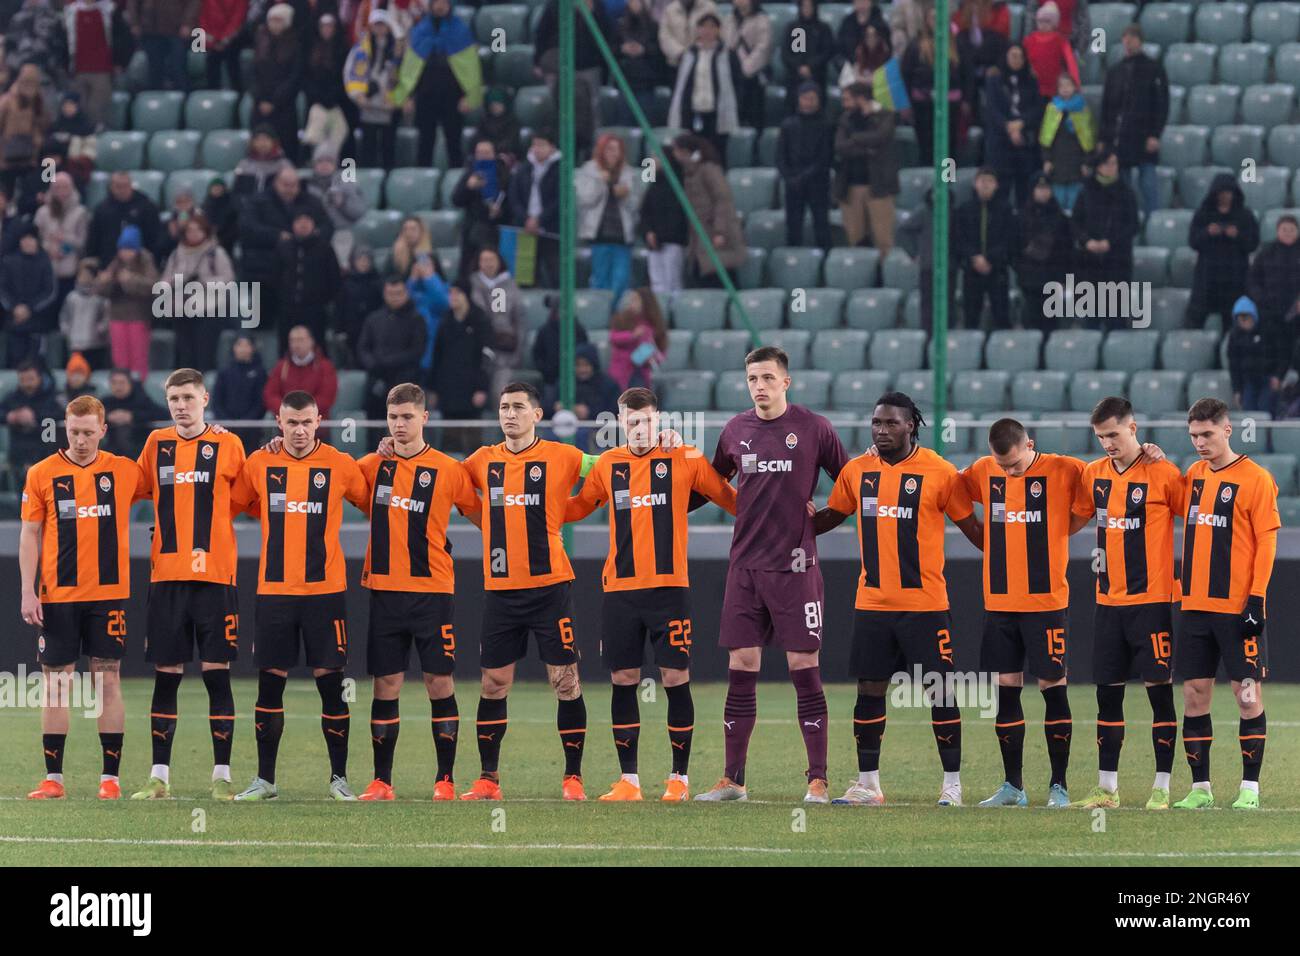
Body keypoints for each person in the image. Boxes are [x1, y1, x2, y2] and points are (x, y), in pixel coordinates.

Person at [563, 387, 737, 800]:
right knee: (623, 680)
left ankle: (679, 778)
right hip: (620, 591)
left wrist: (776, 510)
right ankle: (630, 781)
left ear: (659, 421)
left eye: (646, 420)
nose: (639, 428)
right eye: (631, 421)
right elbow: (577, 508)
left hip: (669, 589)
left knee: (675, 678)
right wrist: (529, 508)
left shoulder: (685, 458)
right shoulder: (608, 465)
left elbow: (729, 499)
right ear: (620, 423)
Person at [692, 346, 848, 804]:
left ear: (786, 381)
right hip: (744, 568)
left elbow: (854, 482)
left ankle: (817, 779)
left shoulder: (814, 428)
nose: (758, 386)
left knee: (803, 667)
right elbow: (707, 484)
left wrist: (819, 524)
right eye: (751, 379)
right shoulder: (735, 430)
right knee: (741, 667)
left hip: (796, 569)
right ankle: (733, 780)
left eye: (766, 377)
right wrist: (664, 490)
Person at [815, 393, 982, 806]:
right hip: (872, 605)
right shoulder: (857, 471)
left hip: (925, 606)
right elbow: (829, 517)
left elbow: (975, 532)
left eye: (891, 423)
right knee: (868, 691)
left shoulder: (941, 473)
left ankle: (952, 785)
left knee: (940, 692)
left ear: (912, 426)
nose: (881, 430)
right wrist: (785, 517)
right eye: (876, 423)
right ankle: (868, 785)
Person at [453, 382, 594, 801]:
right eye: (503, 407)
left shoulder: (564, 456)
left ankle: (573, 778)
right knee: (494, 683)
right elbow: (448, 483)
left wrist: (662, 441)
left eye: (518, 407)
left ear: (537, 414)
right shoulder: (482, 461)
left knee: (565, 680)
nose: (509, 414)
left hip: (550, 587)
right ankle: (487, 780)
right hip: (500, 591)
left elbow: (610, 469)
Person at [229, 389, 370, 801]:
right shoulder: (260, 463)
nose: (300, 430)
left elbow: (372, 499)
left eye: (307, 422)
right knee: (270, 686)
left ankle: (339, 779)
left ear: (319, 421)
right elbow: (235, 503)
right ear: (279, 422)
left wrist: (383, 449)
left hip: (325, 592)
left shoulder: (340, 465)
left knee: (332, 684)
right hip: (274, 592)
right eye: (292, 423)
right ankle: (265, 781)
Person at [354, 383, 481, 800]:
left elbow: (483, 515)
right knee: (385, 685)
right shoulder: (373, 466)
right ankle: (381, 781)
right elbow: (327, 477)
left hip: (433, 592)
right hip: (386, 592)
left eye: (407, 417)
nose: (400, 425)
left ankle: (444, 780)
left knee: (438, 683)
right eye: (393, 418)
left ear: (424, 418)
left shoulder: (449, 469)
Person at [127, 369, 248, 800]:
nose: (180, 405)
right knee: (166, 677)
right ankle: (159, 776)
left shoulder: (229, 445)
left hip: (215, 578)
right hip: (167, 578)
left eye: (188, 397)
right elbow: (135, 488)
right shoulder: (155, 444)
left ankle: (222, 777)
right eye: (174, 398)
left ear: (205, 398)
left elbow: (252, 494)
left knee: (218, 676)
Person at [20, 394, 144, 800]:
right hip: (57, 597)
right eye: (73, 431)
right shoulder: (41, 473)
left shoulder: (125, 472)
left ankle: (111, 779)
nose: (80, 440)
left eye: (89, 433)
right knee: (56, 685)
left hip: (108, 595)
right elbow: (30, 534)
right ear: (64, 427)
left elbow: (174, 480)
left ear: (103, 430)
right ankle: (53, 779)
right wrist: (28, 589)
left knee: (107, 680)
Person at [960, 418, 1090, 808]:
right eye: (1003, 466)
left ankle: (1059, 787)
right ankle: (1013, 786)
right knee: (1007, 691)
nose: (1009, 472)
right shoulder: (983, 470)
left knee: (1053, 688)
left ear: (1030, 444)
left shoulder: (1066, 469)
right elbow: (944, 486)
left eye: (1015, 465)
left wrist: (1058, 531)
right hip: (999, 603)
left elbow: (1098, 492)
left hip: (1046, 603)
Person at [1071, 396, 1184, 810]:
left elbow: (1197, 516)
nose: (1107, 444)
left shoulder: (1164, 473)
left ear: (1133, 428)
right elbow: (1076, 516)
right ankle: (1107, 789)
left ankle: (1162, 787)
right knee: (1108, 696)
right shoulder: (1093, 474)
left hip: (1151, 603)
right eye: (1100, 437)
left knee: (1159, 695)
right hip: (1108, 603)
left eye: (1114, 435)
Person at [1173, 398, 1279, 811]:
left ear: (1227, 430)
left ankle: (1249, 789)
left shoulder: (1256, 479)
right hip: (1196, 606)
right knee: (1196, 693)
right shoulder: (1194, 475)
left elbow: (1267, 542)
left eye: (1207, 435)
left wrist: (1257, 597)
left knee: (1247, 695)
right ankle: (1201, 788)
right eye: (1194, 436)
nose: (1200, 443)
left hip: (1237, 608)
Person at [393, 0, 483, 171]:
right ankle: (421, 183)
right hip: (425, 96)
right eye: (436, 2)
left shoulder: (461, 31)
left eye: (443, 2)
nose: (440, 6)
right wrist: (407, 96)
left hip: (453, 97)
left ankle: (457, 183)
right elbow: (410, 68)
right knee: (425, 143)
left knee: (454, 143)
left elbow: (471, 68)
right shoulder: (419, 32)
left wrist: (469, 96)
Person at [1099, 23, 1167, 222]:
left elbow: (1161, 105)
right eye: (1125, 39)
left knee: (1148, 183)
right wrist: (1103, 137)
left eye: (1133, 38)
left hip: (1144, 135)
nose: (1129, 43)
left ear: (1140, 41)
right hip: (1121, 138)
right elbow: (1107, 108)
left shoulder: (1154, 69)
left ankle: (1153, 222)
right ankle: (1127, 222)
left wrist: (1155, 134)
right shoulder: (1115, 71)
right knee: (1124, 186)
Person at [1070, 149, 1138, 330]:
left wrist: (1111, 242)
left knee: (1116, 318)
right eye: (1108, 164)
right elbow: (1075, 223)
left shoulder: (1126, 192)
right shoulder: (1086, 192)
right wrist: (1087, 242)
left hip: (1118, 261)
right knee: (1091, 318)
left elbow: (1132, 225)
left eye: (1115, 163)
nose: (1112, 168)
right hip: (1090, 264)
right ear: (1099, 167)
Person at [164, 212, 236, 372]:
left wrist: (204, 283)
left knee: (204, 356)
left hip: (208, 311)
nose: (193, 234)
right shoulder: (177, 254)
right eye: (190, 230)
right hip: (181, 311)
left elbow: (228, 278)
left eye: (198, 230)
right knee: (185, 357)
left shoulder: (215, 253)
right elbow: (165, 280)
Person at [1186, 173, 1259, 330]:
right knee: (1195, 318)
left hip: (1235, 277)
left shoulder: (1245, 215)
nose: (1225, 196)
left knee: (1233, 323)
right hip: (1207, 277)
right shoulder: (1203, 214)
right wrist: (1207, 232)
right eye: (1221, 192)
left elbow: (1253, 243)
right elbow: (1193, 241)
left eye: (1228, 192)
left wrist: (1237, 235)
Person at [666, 14, 741, 165]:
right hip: (693, 113)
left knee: (715, 156)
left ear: (718, 30)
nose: (707, 31)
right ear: (698, 29)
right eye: (703, 26)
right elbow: (682, 85)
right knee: (692, 156)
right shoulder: (689, 54)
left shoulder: (727, 54)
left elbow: (737, 82)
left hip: (716, 114)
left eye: (712, 27)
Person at [833, 82, 898, 255]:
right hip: (850, 186)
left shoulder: (884, 116)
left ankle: (885, 279)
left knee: (883, 241)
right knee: (855, 240)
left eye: (847, 99)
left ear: (860, 99)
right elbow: (840, 146)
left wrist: (854, 138)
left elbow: (881, 137)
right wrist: (866, 149)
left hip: (879, 186)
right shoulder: (845, 119)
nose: (844, 103)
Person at [577, 133, 640, 309]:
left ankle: (618, 316)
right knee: (600, 278)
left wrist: (626, 196)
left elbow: (636, 205)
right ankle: (600, 314)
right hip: (599, 234)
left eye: (617, 150)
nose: (614, 153)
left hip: (622, 234)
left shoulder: (628, 172)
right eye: (610, 149)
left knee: (621, 279)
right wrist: (600, 183)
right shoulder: (589, 169)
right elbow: (584, 200)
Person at [673, 135, 746, 287]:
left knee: (720, 276)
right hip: (700, 234)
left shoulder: (709, 169)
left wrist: (720, 231)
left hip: (714, 234)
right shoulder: (689, 173)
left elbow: (723, 199)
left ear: (684, 151)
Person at [429, 281, 490, 452]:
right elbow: (437, 356)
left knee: (473, 443)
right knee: (450, 441)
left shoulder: (479, 320)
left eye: (458, 293)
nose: (453, 297)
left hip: (471, 389)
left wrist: (482, 387)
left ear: (466, 296)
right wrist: (434, 388)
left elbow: (486, 358)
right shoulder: (445, 321)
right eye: (451, 293)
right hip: (449, 388)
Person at [900, 7, 964, 167]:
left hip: (951, 104)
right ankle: (929, 182)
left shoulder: (957, 44)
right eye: (933, 18)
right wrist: (905, 103)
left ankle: (948, 184)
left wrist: (967, 101)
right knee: (926, 146)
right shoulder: (915, 45)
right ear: (927, 21)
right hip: (923, 104)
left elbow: (967, 74)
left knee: (950, 149)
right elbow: (905, 75)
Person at [358, 275, 426, 422]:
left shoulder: (416, 320)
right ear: (384, 294)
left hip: (406, 381)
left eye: (399, 293)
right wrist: (373, 364)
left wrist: (388, 362)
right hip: (377, 380)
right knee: (374, 423)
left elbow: (417, 351)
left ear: (406, 293)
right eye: (390, 294)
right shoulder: (374, 319)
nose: (394, 298)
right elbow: (363, 348)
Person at [983, 43, 1042, 211]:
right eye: (1013, 56)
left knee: (1024, 191)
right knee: (1001, 189)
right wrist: (1009, 127)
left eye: (1020, 56)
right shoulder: (994, 80)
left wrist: (1021, 124)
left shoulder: (1031, 80)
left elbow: (1037, 109)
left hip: (1025, 142)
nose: (1016, 60)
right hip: (1000, 142)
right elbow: (992, 110)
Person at [95, 224, 159, 379]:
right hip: (117, 317)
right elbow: (101, 291)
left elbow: (153, 287)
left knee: (138, 358)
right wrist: (104, 282)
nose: (125, 253)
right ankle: (121, 388)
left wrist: (130, 280)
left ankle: (138, 389)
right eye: (122, 249)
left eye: (129, 249)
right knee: (119, 359)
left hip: (138, 317)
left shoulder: (146, 261)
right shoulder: (115, 263)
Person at [953, 167, 1014, 329]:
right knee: (971, 317)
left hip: (997, 269)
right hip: (971, 270)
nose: (986, 185)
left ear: (996, 185)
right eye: (982, 181)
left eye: (990, 181)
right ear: (975, 184)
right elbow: (959, 239)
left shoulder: (1005, 210)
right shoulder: (964, 210)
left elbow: (1010, 239)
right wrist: (974, 257)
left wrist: (990, 259)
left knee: (1001, 316)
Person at [344, 7, 403, 170]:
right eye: (376, 25)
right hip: (368, 104)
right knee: (368, 147)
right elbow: (351, 72)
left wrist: (400, 98)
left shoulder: (397, 49)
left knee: (388, 148)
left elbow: (405, 74)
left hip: (389, 104)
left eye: (383, 25)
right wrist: (357, 95)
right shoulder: (360, 49)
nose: (380, 28)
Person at [776, 82, 833, 249]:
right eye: (804, 98)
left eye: (812, 98)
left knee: (821, 226)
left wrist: (803, 177)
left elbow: (825, 157)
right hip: (793, 184)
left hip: (818, 183)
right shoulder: (788, 124)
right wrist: (789, 177)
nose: (808, 102)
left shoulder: (826, 124)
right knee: (793, 227)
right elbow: (780, 156)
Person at [506, 130, 562, 289]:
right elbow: (514, 196)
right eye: (534, 145)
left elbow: (559, 200)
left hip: (551, 230)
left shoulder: (560, 169)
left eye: (541, 145)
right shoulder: (523, 169)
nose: (537, 149)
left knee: (555, 275)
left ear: (552, 147)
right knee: (525, 276)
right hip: (525, 229)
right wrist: (526, 219)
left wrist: (539, 219)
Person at [1016, 172, 1071, 331]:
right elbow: (1015, 248)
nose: (1043, 192)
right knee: (1031, 324)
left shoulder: (1060, 218)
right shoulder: (1022, 217)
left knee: (1051, 326)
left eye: (1046, 188)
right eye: (1039, 188)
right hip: (1029, 280)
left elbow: (1067, 251)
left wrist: (1064, 277)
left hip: (1052, 279)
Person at [468, 246, 524, 398]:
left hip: (504, 352)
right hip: (477, 350)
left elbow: (519, 321)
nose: (488, 264)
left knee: (501, 391)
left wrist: (517, 353)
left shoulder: (510, 285)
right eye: (484, 260)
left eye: (491, 260)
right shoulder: (471, 284)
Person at [250, 3, 303, 162]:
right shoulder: (260, 41)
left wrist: (275, 101)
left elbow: (294, 77)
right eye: (272, 20)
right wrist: (260, 98)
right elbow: (252, 74)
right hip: (260, 105)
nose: (274, 24)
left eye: (279, 20)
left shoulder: (295, 44)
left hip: (283, 106)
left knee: (286, 147)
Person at [451, 136, 509, 275]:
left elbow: (512, 199)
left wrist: (500, 210)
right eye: (479, 153)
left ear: (494, 154)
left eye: (486, 153)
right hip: (472, 227)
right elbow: (456, 200)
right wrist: (468, 187)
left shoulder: (504, 173)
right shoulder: (470, 173)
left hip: (497, 228)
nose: (483, 157)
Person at [0, 223, 56, 366]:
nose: (28, 242)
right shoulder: (8, 261)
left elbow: (49, 291)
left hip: (38, 322)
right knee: (15, 361)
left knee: (37, 362)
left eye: (32, 239)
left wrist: (29, 308)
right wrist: (14, 308)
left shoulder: (45, 262)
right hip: (14, 323)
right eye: (25, 239)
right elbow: (2, 289)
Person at [1247, 216, 1300, 363]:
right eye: (1284, 229)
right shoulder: (1266, 252)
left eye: (1291, 230)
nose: (1288, 233)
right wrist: (1261, 299)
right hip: (1271, 312)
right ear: (1277, 231)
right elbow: (1253, 279)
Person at [2, 359, 61, 488]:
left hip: (43, 452)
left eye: (30, 379)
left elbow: (55, 421)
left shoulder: (50, 399)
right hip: (18, 454)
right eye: (23, 380)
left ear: (39, 378)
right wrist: (10, 416)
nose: (27, 384)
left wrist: (34, 416)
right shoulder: (13, 398)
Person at [300, 13, 352, 161]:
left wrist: (334, 97)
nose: (327, 30)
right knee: (314, 136)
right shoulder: (311, 49)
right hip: (316, 101)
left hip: (339, 102)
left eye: (330, 26)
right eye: (324, 26)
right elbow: (305, 76)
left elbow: (346, 77)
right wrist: (317, 97)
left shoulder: (343, 49)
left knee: (341, 137)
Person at [1039, 71, 1092, 211]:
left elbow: (1088, 139)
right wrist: (1047, 160)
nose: (1065, 89)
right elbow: (1046, 138)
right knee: (1058, 205)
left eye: (1069, 85)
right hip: (1057, 167)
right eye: (1062, 86)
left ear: (1075, 87)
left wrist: (1086, 162)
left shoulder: (1082, 109)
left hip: (1076, 166)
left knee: (1075, 206)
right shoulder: (1052, 109)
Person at [306, 145, 366, 267]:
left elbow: (359, 211)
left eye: (328, 161)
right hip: (315, 234)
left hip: (341, 233)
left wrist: (343, 203)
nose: (324, 165)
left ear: (335, 163)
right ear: (314, 164)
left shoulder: (346, 182)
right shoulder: (306, 186)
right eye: (320, 161)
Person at [638, 153, 689, 295]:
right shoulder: (653, 186)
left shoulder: (679, 184)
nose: (653, 161)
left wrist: (660, 235)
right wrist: (648, 232)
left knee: (673, 282)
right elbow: (645, 212)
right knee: (657, 283)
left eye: (657, 157)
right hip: (653, 244)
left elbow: (677, 216)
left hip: (673, 242)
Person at [86, 171, 162, 266]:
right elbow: (93, 241)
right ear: (111, 187)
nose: (122, 190)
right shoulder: (101, 210)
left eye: (125, 185)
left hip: (140, 266)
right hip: (108, 263)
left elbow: (155, 238)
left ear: (131, 185)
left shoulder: (147, 207)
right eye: (118, 186)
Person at [264, 325, 339, 420]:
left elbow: (326, 397)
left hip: (316, 424)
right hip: (286, 424)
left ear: (311, 341)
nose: (296, 344)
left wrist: (304, 412)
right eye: (293, 340)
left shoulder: (325, 366)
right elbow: (270, 394)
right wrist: (287, 411)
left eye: (301, 340)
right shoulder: (281, 366)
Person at [615, 0, 669, 126]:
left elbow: (660, 51)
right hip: (625, 81)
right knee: (625, 122)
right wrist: (622, 49)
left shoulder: (653, 26)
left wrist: (643, 50)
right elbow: (611, 48)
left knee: (645, 122)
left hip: (646, 83)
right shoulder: (620, 26)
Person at [211, 333, 269, 447]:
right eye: (239, 345)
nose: (243, 349)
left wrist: (245, 424)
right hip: (226, 429)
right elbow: (217, 402)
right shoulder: (224, 373)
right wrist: (227, 422)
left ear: (253, 348)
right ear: (234, 348)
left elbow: (260, 403)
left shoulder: (260, 373)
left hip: (252, 429)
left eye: (247, 345)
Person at [722, 0, 772, 130]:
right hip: (732, 73)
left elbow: (763, 48)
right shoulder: (729, 19)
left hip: (753, 74)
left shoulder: (761, 19)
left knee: (754, 114)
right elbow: (726, 44)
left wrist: (745, 68)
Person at [0, 63, 47, 196]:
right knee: (6, 189)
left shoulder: (38, 102)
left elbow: (43, 125)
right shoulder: (6, 101)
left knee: (30, 188)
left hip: (29, 153)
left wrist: (38, 139)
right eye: (26, 82)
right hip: (7, 153)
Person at [608, 287, 667, 391]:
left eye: (635, 300)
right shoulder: (621, 319)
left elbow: (661, 350)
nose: (631, 303)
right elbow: (613, 337)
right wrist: (632, 336)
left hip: (643, 371)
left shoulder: (655, 325)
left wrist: (652, 359)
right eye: (631, 300)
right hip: (622, 369)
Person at [129, 0, 197, 90]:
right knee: (154, 70)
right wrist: (134, 22)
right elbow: (132, 3)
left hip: (177, 29)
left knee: (178, 69)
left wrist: (187, 22)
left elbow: (194, 3)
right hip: (151, 29)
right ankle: (155, 101)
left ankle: (183, 99)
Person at [781, 0, 835, 113]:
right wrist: (799, 67)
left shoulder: (823, 28)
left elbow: (827, 52)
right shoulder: (793, 28)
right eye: (804, 6)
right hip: (795, 75)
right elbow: (786, 53)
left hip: (817, 75)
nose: (807, 9)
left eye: (809, 6)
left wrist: (811, 66)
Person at [102, 367, 166, 457]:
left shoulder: (141, 400)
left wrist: (132, 416)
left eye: (122, 383)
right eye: (114, 383)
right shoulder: (106, 402)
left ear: (130, 383)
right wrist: (107, 417)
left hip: (139, 448)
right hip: (112, 450)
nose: (118, 387)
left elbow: (163, 414)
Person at [1227, 297, 1276, 414]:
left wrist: (1277, 375)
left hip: (1267, 379)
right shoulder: (1234, 337)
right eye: (1241, 318)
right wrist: (1237, 390)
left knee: (1266, 413)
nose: (1244, 321)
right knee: (1249, 414)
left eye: (1247, 317)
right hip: (1248, 381)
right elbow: (1234, 366)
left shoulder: (1266, 332)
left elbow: (1277, 355)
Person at [59, 259, 109, 369]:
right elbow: (64, 316)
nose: (84, 278)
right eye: (81, 275)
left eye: (87, 275)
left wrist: (101, 329)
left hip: (95, 344)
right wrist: (66, 330)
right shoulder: (71, 297)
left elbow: (106, 317)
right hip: (75, 343)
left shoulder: (101, 297)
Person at [1022, 1, 1078, 99]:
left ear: (1054, 23)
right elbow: (1022, 57)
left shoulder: (1061, 40)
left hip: (1054, 86)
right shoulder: (1029, 40)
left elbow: (1070, 61)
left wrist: (1075, 81)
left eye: (1047, 21)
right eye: (1040, 21)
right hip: (1034, 84)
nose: (1043, 24)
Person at [231, 125, 292, 211]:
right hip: (248, 210)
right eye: (258, 140)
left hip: (276, 210)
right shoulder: (244, 165)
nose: (262, 143)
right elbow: (237, 193)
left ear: (274, 142)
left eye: (266, 139)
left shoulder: (283, 165)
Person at [339, 244, 383, 360]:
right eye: (360, 259)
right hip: (353, 329)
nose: (364, 263)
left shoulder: (378, 282)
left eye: (367, 260)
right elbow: (340, 307)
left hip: (375, 330)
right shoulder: (346, 283)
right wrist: (340, 329)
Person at [46, 92, 97, 188]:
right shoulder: (56, 125)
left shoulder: (86, 127)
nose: (68, 108)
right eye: (65, 105)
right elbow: (47, 144)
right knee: (47, 165)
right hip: (55, 162)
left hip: (75, 165)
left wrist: (73, 159)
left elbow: (90, 150)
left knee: (76, 174)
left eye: (71, 105)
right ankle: (46, 193)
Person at [200, 0, 249, 94]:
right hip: (213, 40)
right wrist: (213, 40)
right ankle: (212, 98)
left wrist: (224, 39)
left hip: (232, 41)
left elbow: (238, 18)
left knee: (233, 69)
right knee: (211, 67)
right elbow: (204, 18)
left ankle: (237, 99)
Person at [659, 0, 720, 70]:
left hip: (703, 64)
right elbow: (665, 36)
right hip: (676, 63)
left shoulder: (709, 7)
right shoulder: (670, 9)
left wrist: (696, 53)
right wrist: (681, 53)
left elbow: (716, 32)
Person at [477, 87, 522, 160]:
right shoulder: (484, 120)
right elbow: (478, 138)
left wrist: (494, 150)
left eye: (498, 104)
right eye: (492, 105)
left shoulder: (512, 121)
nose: (495, 107)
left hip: (504, 155)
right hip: (484, 154)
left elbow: (511, 141)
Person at [390, 213, 434, 278]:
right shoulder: (393, 256)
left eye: (413, 229)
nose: (409, 233)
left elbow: (442, 281)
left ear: (421, 232)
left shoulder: (430, 255)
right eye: (405, 229)